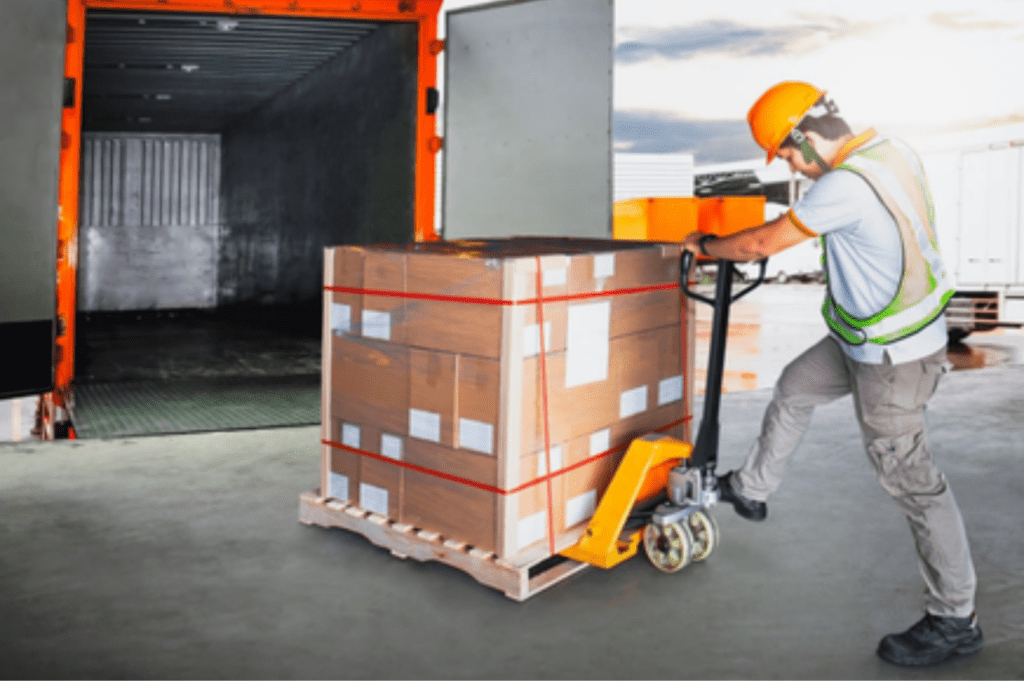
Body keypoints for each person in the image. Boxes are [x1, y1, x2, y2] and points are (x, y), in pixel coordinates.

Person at [681, 81, 981, 667]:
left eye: (788, 155)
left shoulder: (844, 185)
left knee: (914, 485)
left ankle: (955, 619)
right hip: (864, 337)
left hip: (892, 358)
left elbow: (762, 243)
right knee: (795, 386)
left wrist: (707, 246)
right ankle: (752, 489)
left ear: (807, 137)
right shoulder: (892, 150)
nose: (792, 167)